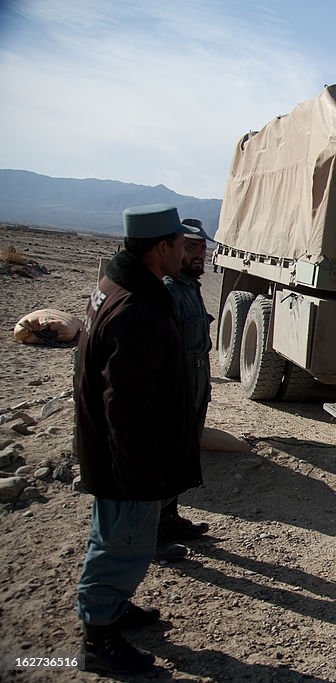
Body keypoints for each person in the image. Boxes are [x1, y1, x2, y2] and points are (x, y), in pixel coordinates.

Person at [74, 204, 203, 674]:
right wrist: (137, 472)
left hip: (114, 453)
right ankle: (98, 638)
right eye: (178, 243)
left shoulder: (116, 287)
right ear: (159, 249)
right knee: (122, 540)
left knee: (114, 534)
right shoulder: (137, 309)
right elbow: (124, 404)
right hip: (126, 459)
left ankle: (113, 608)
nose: (185, 251)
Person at [158, 218, 213, 546]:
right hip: (178, 383)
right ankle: (157, 530)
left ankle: (171, 518)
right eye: (191, 247)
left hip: (196, 380)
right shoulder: (169, 291)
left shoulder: (191, 287)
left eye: (202, 248)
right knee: (167, 452)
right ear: (176, 250)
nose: (199, 254)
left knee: (184, 452)